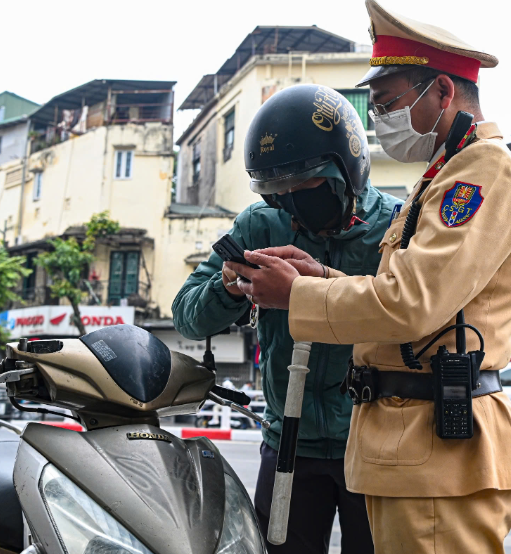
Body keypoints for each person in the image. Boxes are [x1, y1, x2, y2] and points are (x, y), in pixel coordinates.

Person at [228, 0, 511, 553]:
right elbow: (419, 296)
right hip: (411, 446)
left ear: (443, 92)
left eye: (388, 102)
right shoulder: (443, 175)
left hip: (437, 447)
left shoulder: (482, 173)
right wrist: (319, 276)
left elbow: (410, 305)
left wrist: (298, 293)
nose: (379, 120)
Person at [172, 84, 401, 554]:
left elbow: (410, 319)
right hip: (287, 442)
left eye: (304, 187)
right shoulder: (260, 223)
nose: (292, 203)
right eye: (279, 192)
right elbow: (187, 315)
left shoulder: (396, 229)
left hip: (375, 443)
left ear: (346, 170)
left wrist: (312, 289)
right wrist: (232, 287)